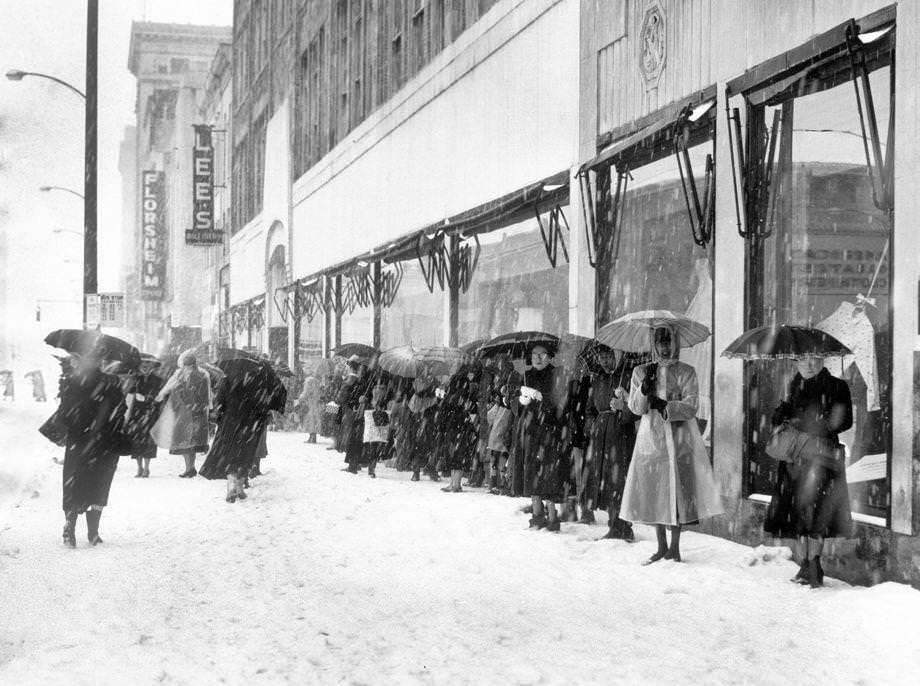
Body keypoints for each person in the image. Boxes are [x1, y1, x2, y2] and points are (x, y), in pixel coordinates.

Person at [620, 325, 723, 563]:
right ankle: (660, 545)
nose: (664, 347)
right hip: (651, 440)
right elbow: (636, 408)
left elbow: (691, 405)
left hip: (679, 440)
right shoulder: (642, 370)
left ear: (675, 343)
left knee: (677, 492)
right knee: (655, 490)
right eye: (660, 342)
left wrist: (666, 405)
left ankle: (675, 546)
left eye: (668, 342)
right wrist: (644, 391)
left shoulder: (686, 371)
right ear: (653, 344)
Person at [765, 355, 853, 588]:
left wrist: (810, 423)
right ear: (795, 363)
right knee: (797, 514)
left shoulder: (837, 386)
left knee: (818, 515)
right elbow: (780, 418)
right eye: (803, 359)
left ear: (823, 359)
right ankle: (804, 564)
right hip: (795, 460)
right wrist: (781, 415)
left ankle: (814, 564)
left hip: (822, 459)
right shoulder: (792, 386)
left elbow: (843, 421)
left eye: (814, 358)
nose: (809, 364)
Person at [55, 351, 127, 547]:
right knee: (100, 482)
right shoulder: (112, 381)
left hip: (78, 441)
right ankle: (93, 532)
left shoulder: (71, 381)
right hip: (105, 441)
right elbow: (120, 410)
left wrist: (82, 425)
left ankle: (70, 524)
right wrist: (101, 424)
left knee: (74, 481)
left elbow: (64, 413)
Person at [570, 347, 640, 540]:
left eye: (609, 357)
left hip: (621, 435)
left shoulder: (627, 377)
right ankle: (613, 522)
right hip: (600, 436)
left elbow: (638, 409)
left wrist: (623, 408)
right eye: (602, 357)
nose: (605, 361)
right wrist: (591, 427)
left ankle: (622, 525)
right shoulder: (597, 379)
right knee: (605, 480)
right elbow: (590, 408)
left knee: (619, 480)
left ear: (617, 356)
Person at [200, 360, 286, 502]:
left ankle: (231, 486)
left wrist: (220, 414)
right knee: (245, 455)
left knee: (229, 455)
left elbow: (220, 403)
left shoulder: (226, 381)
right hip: (250, 425)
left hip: (230, 424)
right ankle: (239, 487)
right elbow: (264, 404)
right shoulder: (256, 383)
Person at [513, 343, 565, 531]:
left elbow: (560, 403)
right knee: (531, 470)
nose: (538, 358)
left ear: (550, 357)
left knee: (548, 473)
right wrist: (520, 401)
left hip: (549, 431)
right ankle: (537, 515)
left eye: (542, 354)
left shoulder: (556, 374)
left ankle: (552, 517)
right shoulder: (526, 375)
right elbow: (515, 402)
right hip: (529, 430)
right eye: (535, 354)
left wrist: (542, 398)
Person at [152, 351, 211, 478]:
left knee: (187, 441)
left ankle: (190, 468)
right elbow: (205, 396)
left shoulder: (187, 375)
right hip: (191, 411)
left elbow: (170, 388)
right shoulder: (201, 374)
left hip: (186, 411)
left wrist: (161, 396)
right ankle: (190, 467)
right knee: (190, 441)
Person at [435, 369, 479, 493]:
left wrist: (444, 397)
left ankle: (455, 484)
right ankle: (454, 483)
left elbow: (453, 403)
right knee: (456, 453)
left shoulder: (458, 386)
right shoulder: (461, 386)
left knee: (457, 453)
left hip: (456, 423)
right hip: (458, 422)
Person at [124, 356, 164, 478]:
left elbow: (160, 396)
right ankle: (139, 467)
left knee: (148, 441)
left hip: (150, 413)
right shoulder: (135, 379)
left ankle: (146, 468)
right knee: (136, 440)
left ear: (152, 367)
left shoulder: (158, 380)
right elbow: (128, 393)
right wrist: (133, 391)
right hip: (136, 414)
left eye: (148, 364)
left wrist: (148, 398)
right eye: (143, 364)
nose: (145, 366)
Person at [338, 357, 372, 473]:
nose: (360, 371)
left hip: (360, 414)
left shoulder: (362, 383)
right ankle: (355, 463)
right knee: (357, 439)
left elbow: (347, 397)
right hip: (360, 413)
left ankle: (353, 464)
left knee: (355, 439)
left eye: (362, 369)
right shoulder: (362, 382)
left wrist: (359, 400)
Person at [408, 374, 440, 482]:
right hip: (426, 421)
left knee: (419, 445)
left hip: (421, 421)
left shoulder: (418, 391)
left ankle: (418, 471)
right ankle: (428, 468)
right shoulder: (430, 392)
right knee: (429, 446)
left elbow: (413, 407)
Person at [363, 379, 392, 478]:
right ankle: (372, 465)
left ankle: (372, 467)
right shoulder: (387, 394)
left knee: (373, 446)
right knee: (377, 446)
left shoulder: (372, 392)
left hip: (373, 423)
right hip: (381, 424)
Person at [296, 366, 324, 443]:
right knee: (314, 420)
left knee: (310, 420)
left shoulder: (308, 381)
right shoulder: (316, 380)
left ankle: (312, 437)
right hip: (316, 403)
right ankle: (313, 437)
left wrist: (300, 398)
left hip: (310, 403)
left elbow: (306, 393)